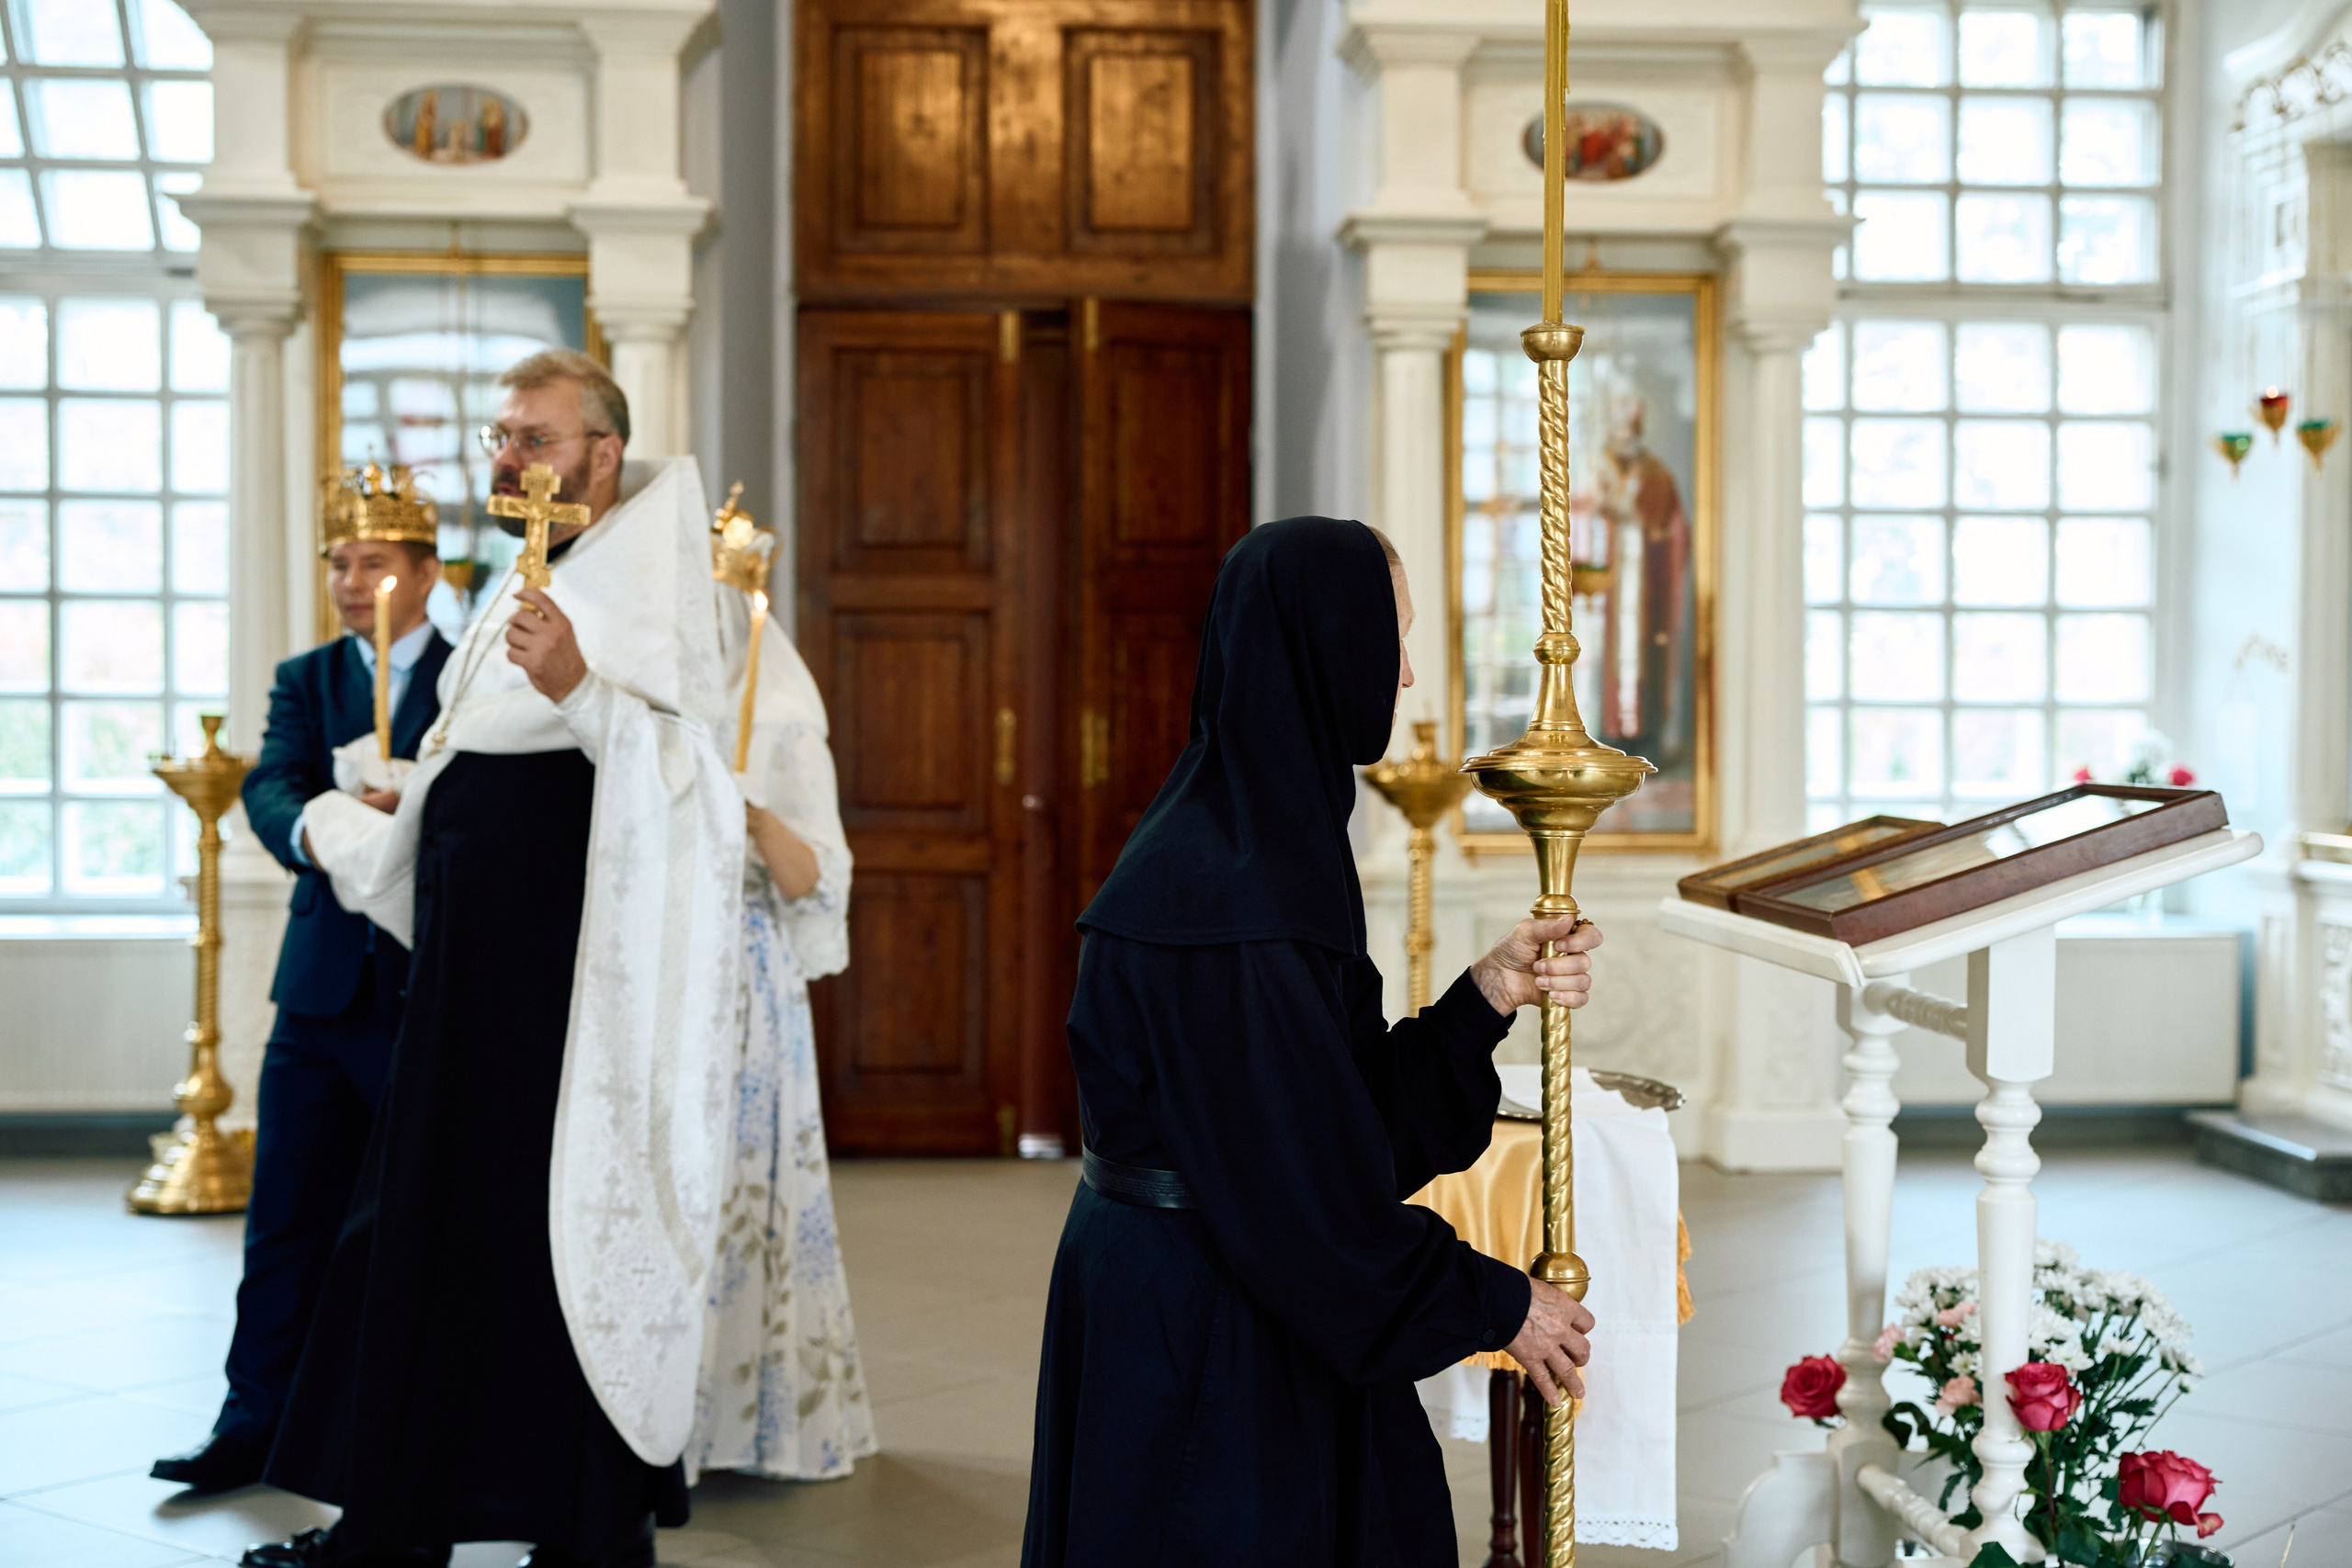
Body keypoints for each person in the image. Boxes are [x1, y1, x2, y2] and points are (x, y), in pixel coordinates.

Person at [1020, 516, 1603, 1568]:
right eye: (1394, 640)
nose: (1407, 674)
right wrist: (1495, 1302)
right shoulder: (1231, 894)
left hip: (1234, 1281)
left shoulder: (1261, 837)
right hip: (1205, 1325)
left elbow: (1335, 1113)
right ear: (1326, 644)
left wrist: (1487, 994)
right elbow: (1302, 1195)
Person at [243, 350, 746, 1568]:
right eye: (501, 438)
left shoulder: (657, 586)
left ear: (603, 453)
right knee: (426, 1233)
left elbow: (694, 786)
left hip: (561, 993)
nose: (511, 459)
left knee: (551, 1241)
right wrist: (367, 828)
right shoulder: (534, 571)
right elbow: (468, 759)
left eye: (536, 437)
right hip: (467, 978)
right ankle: (398, 1520)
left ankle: (580, 1529)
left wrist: (579, 687)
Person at [150, 489, 448, 1495]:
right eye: (338, 564)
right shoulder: (307, 678)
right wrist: (326, 823)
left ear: (427, 574)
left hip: (422, 990)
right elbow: (270, 783)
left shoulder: (469, 677)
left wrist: (413, 804)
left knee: (407, 1225)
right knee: (282, 1219)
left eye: (374, 564)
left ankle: (390, 1437)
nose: (351, 583)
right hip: (317, 993)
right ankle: (251, 1427)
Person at [684, 558, 874, 1481]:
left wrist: (752, 815)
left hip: (742, 982)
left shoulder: (780, 713)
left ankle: (743, 1418)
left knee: (735, 1188)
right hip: (655, 970)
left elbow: (813, 878)